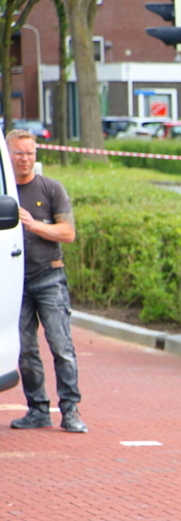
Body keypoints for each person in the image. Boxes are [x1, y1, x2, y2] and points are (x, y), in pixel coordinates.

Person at [6, 129, 87, 433]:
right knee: (25, 350)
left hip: (49, 276)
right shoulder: (5, 192)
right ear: (8, 156)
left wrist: (35, 225)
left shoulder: (51, 189)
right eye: (18, 153)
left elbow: (68, 233)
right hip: (15, 282)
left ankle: (70, 410)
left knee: (61, 345)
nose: (25, 159)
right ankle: (37, 409)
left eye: (30, 153)